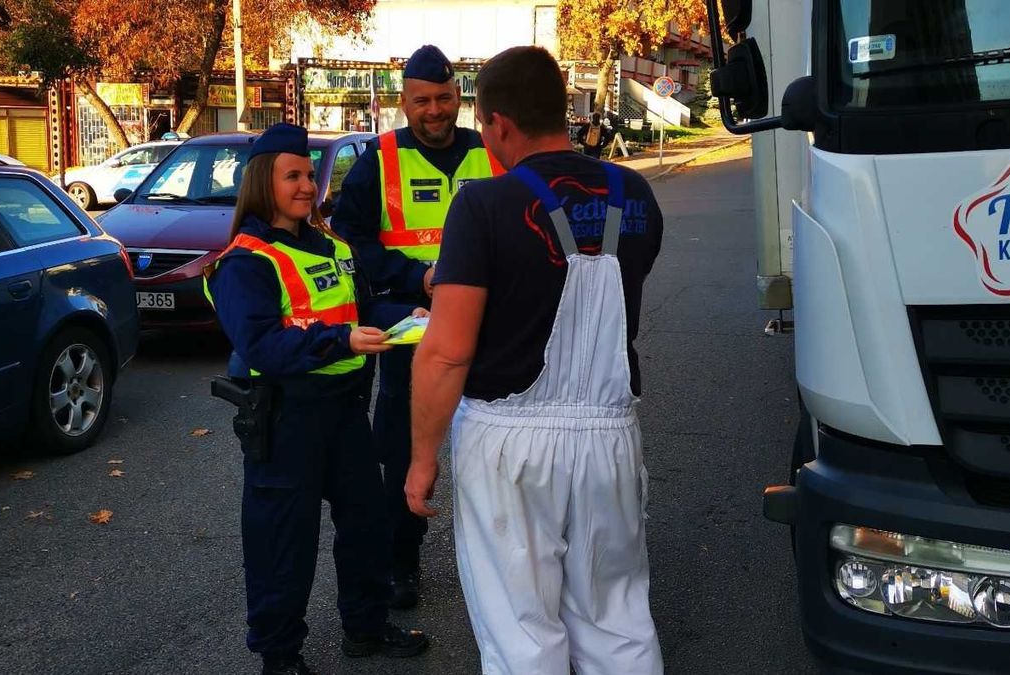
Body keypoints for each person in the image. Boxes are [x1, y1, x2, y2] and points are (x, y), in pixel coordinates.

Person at [405, 47, 666, 674]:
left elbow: (445, 351)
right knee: (617, 618)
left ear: (497, 124)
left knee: (523, 631)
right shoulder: (634, 194)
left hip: (509, 445)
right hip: (609, 437)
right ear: (560, 109)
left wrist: (421, 461)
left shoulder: (484, 205)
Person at [204, 123, 430, 675]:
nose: (308, 185)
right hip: (286, 420)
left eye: (310, 174)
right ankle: (280, 657)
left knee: (367, 525)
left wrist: (409, 318)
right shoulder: (245, 261)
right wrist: (340, 341)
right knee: (284, 544)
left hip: (345, 410)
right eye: (294, 176)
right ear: (264, 182)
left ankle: (366, 628)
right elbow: (261, 345)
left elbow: (357, 314)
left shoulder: (332, 246)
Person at [329, 44, 504, 609]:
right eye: (422, 100)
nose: (435, 110)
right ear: (403, 102)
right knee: (404, 454)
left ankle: (508, 558)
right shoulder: (377, 160)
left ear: (461, 97)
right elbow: (348, 243)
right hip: (413, 324)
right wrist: (413, 275)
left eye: (445, 98)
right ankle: (400, 562)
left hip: (492, 324)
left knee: (502, 445)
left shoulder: (489, 153)